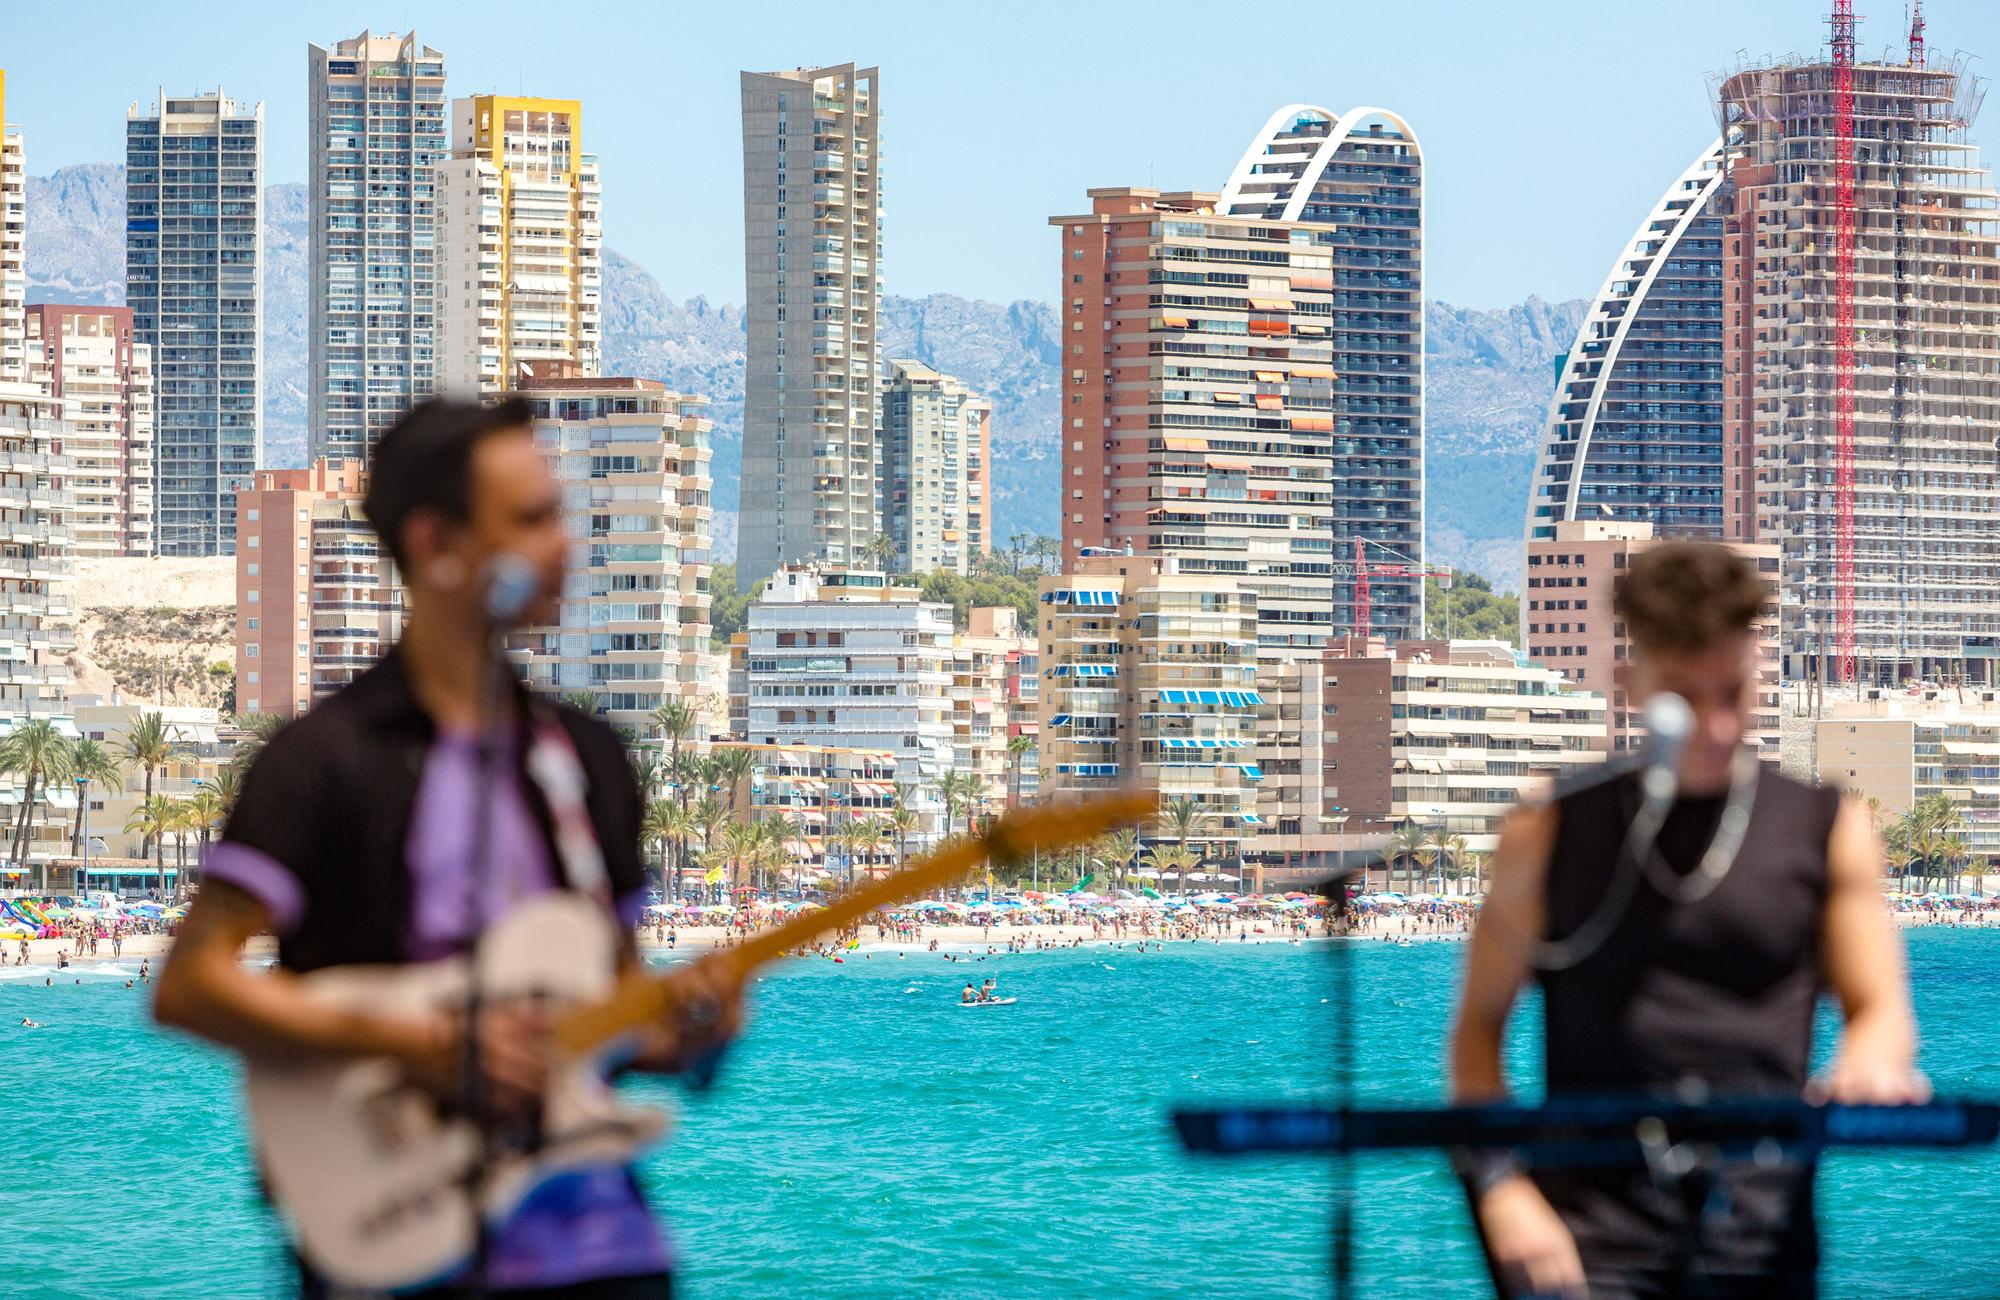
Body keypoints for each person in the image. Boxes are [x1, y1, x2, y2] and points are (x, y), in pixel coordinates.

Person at [154, 397, 745, 1300]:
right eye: (532, 520)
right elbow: (192, 984)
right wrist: (415, 1040)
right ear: (436, 545)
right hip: (397, 1240)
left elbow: (618, 1021)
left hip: (599, 1249)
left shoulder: (589, 761)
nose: (564, 546)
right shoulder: (322, 760)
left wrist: (691, 1032)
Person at [1450, 542, 1925, 1300]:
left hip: (1765, 1236)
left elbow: (1879, 1010)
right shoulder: (1548, 828)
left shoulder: (1828, 826)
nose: (1712, 725)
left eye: (1731, 694)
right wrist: (1503, 1194)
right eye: (1684, 695)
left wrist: (1869, 1063)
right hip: (1585, 1244)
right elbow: (1477, 1032)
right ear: (1630, 680)